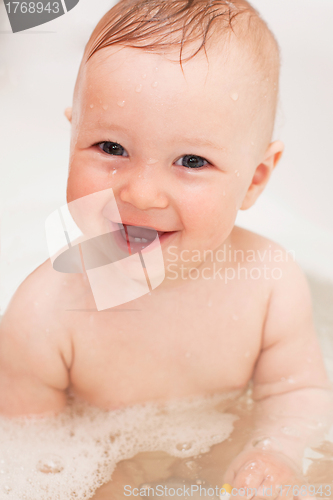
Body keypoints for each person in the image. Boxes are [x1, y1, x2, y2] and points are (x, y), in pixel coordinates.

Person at [0, 0, 332, 496]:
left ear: (254, 180)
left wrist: (276, 450)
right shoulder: (44, 314)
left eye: (192, 161)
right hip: (101, 469)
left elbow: (297, 391)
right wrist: (89, 483)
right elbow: (26, 447)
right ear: (71, 137)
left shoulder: (269, 281)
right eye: (111, 148)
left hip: (232, 456)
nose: (140, 194)